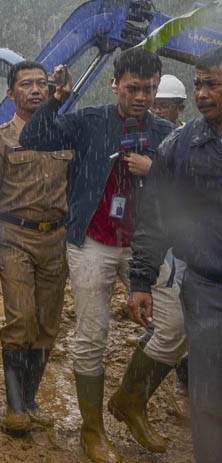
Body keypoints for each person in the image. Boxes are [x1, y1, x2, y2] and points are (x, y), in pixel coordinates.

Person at [19, 48, 186, 462]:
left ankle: (130, 400)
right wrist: (57, 98)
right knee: (92, 336)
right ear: (115, 85)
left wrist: (156, 170)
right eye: (133, 88)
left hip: (145, 244)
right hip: (92, 242)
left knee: (176, 324)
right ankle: (92, 431)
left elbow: (188, 186)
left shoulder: (166, 133)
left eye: (149, 89)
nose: (142, 97)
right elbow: (33, 138)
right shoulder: (90, 121)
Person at [128, 47, 222, 463]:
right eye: (198, 84)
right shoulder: (180, 146)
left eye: (212, 85)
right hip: (206, 288)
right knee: (209, 396)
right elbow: (154, 218)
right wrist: (141, 280)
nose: (201, 94)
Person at [0, 61, 72, 432]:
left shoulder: (65, 133)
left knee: (47, 324)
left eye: (41, 84)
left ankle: (30, 399)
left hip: (56, 239)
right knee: (21, 319)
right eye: (26, 84)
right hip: (14, 236)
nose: (36, 90)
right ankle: (15, 407)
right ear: (10, 93)